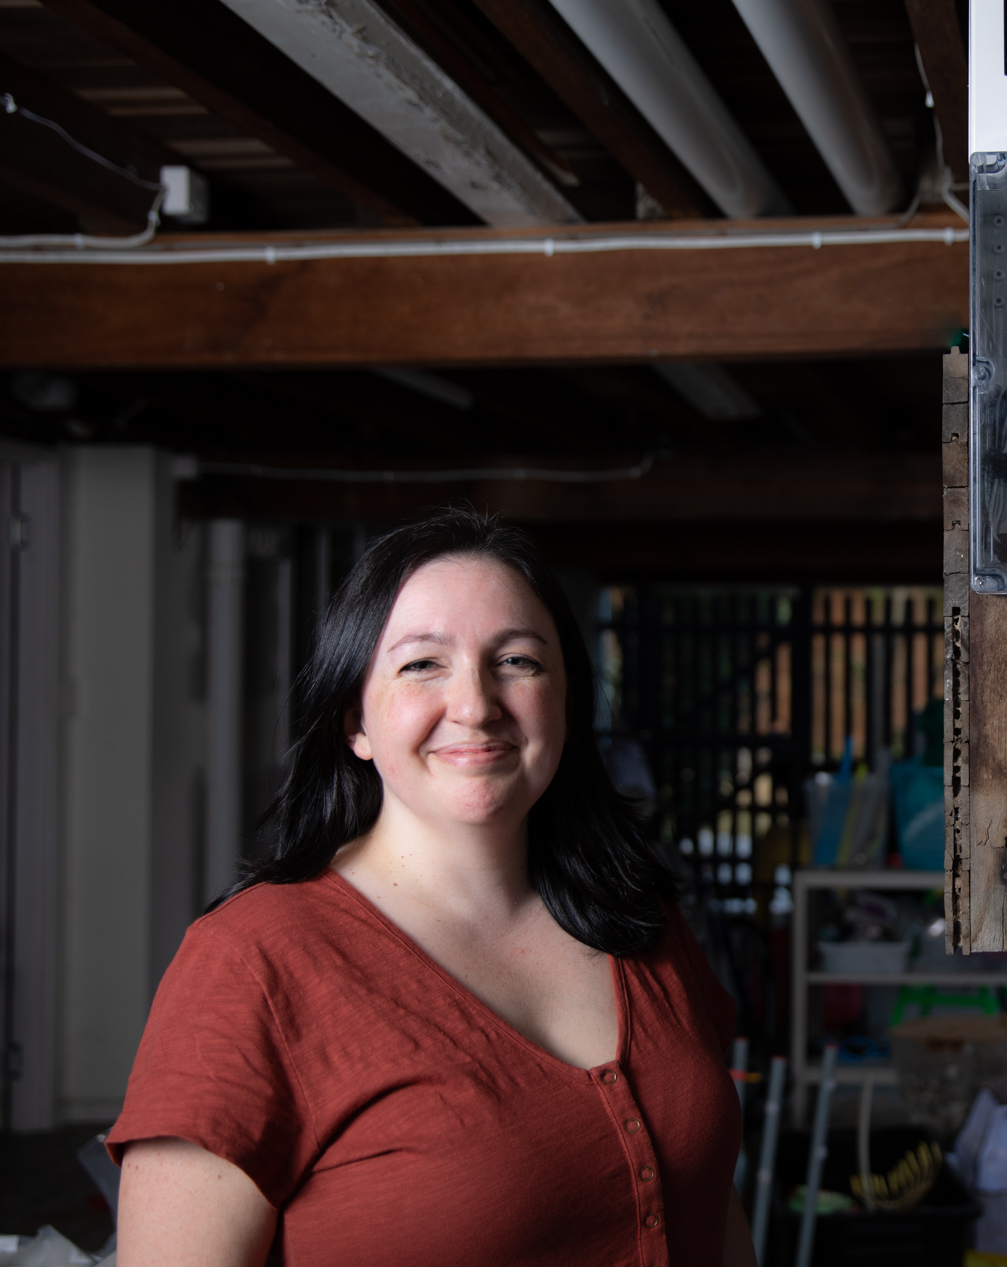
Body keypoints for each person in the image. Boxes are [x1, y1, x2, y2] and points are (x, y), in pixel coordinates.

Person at [108, 508, 753, 1267]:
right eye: (422, 664)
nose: (476, 704)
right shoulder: (252, 964)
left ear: (566, 700)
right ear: (355, 719)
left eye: (517, 661)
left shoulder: (641, 917)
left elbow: (712, 1210)